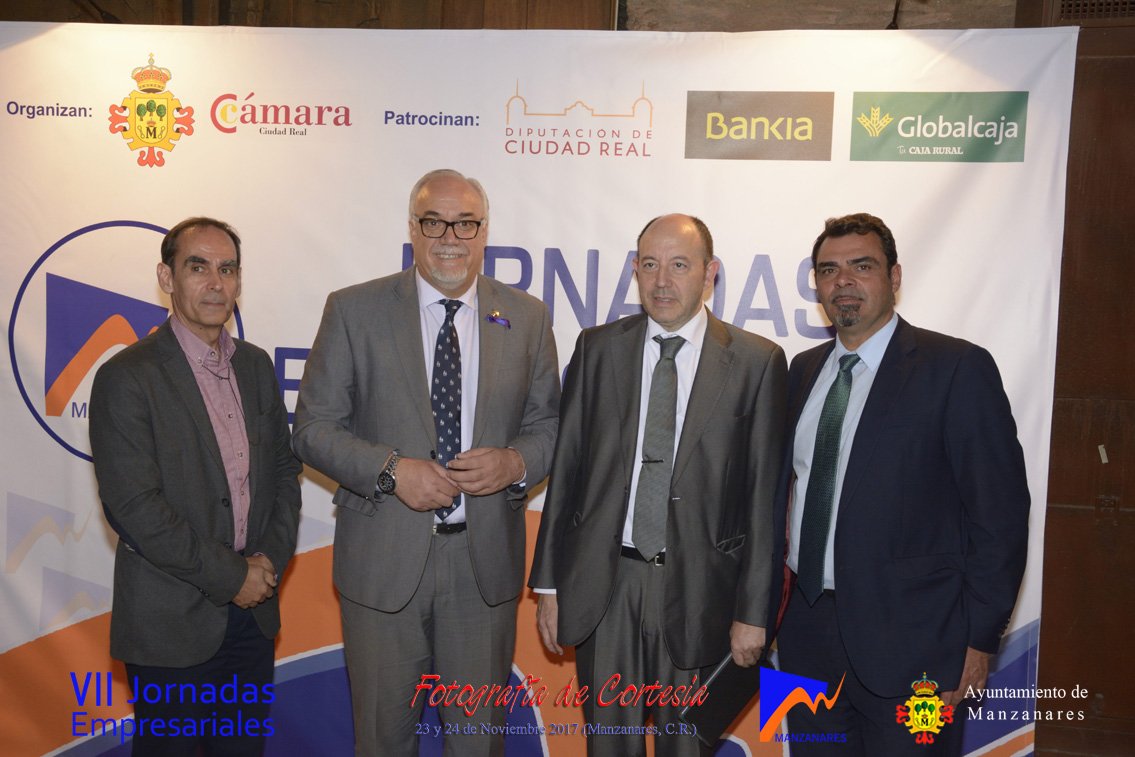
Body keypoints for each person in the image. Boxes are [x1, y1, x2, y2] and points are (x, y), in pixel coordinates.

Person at [291, 169, 560, 756]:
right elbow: (312, 429)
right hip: (382, 565)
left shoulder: (528, 317)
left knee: (477, 746)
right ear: (412, 228)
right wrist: (391, 471)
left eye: (465, 223)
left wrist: (514, 462)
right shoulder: (353, 310)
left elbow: (550, 427)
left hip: (483, 569)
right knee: (383, 742)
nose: (450, 238)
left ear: (484, 231)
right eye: (434, 222)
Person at [770, 213, 1030, 754]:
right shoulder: (801, 370)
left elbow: (999, 516)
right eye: (829, 270)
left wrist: (979, 640)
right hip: (805, 637)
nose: (844, 281)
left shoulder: (956, 368)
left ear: (894, 276)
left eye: (861, 266)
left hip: (920, 648)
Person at [530, 213, 787, 757]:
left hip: (701, 594)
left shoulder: (757, 363)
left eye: (679, 266)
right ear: (635, 270)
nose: (662, 281)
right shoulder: (597, 349)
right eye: (649, 265)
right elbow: (567, 471)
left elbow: (764, 502)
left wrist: (753, 613)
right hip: (606, 588)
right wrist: (549, 586)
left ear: (710, 273)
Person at [89, 217, 302, 756]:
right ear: (167, 277)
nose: (215, 282)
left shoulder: (256, 366)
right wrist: (233, 576)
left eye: (227, 269)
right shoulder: (126, 376)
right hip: (170, 624)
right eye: (198, 267)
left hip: (252, 619)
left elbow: (284, 474)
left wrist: (266, 565)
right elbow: (134, 507)